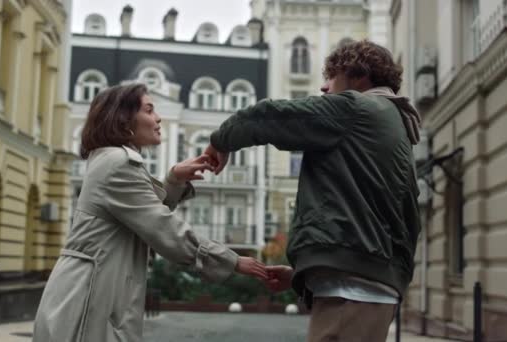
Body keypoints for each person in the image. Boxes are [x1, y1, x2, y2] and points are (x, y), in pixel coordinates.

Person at [204, 40, 421, 342]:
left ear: (358, 76)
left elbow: (269, 117)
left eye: (331, 77)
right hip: (369, 289)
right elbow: (403, 220)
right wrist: (302, 272)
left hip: (352, 291)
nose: (323, 88)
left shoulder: (356, 109)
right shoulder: (392, 125)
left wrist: (220, 141)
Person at [33, 83, 267, 342]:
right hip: (88, 300)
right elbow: (162, 227)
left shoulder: (112, 160)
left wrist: (174, 180)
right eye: (149, 110)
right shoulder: (117, 163)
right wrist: (232, 260)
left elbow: (144, 217)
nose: (158, 118)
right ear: (124, 119)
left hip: (91, 292)